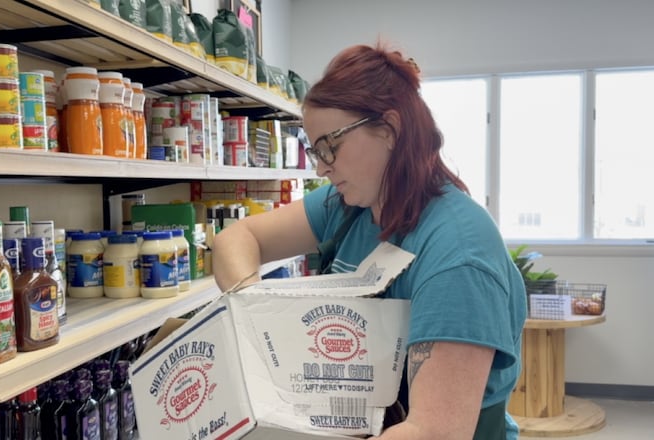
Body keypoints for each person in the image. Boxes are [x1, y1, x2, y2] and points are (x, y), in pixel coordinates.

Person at [212, 42, 527, 439]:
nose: (322, 167)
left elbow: (433, 432)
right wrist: (252, 318)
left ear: (390, 129)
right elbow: (236, 238)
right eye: (315, 150)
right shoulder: (347, 205)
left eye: (330, 146)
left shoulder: (458, 253)